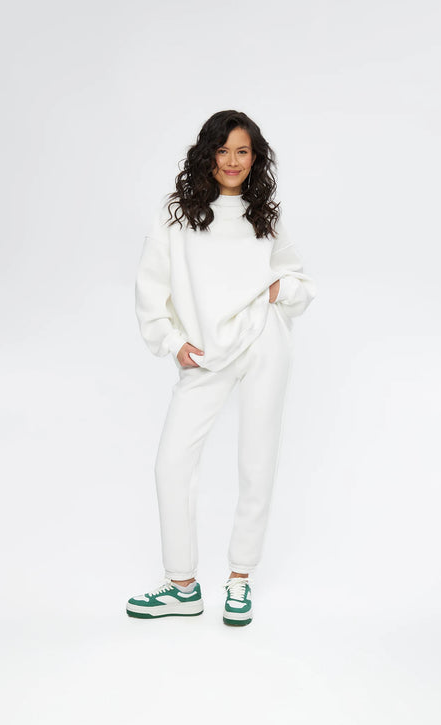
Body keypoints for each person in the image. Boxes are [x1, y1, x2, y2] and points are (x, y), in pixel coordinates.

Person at [126, 109, 316, 626]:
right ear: (207, 153)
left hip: (264, 343)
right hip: (205, 354)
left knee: (257, 460)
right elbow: (150, 286)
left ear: (255, 158)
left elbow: (301, 284)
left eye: (243, 151)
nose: (232, 161)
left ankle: (239, 578)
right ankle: (182, 586)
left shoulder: (264, 216)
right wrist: (172, 342)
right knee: (171, 464)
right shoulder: (177, 214)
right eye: (223, 150)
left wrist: (278, 289)